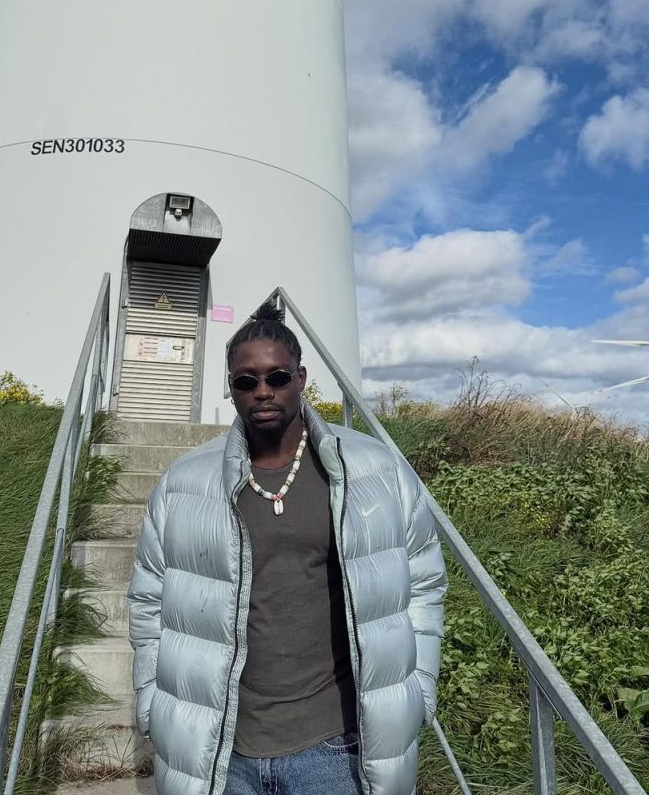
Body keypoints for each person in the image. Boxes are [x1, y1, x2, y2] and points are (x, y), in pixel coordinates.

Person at [127, 306, 447, 795]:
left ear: (300, 379)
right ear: (231, 387)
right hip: (220, 749)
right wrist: (152, 701)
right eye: (245, 381)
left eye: (277, 377)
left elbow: (423, 582)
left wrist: (418, 686)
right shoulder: (183, 483)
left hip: (335, 746)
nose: (263, 391)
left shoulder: (375, 470)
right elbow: (148, 599)